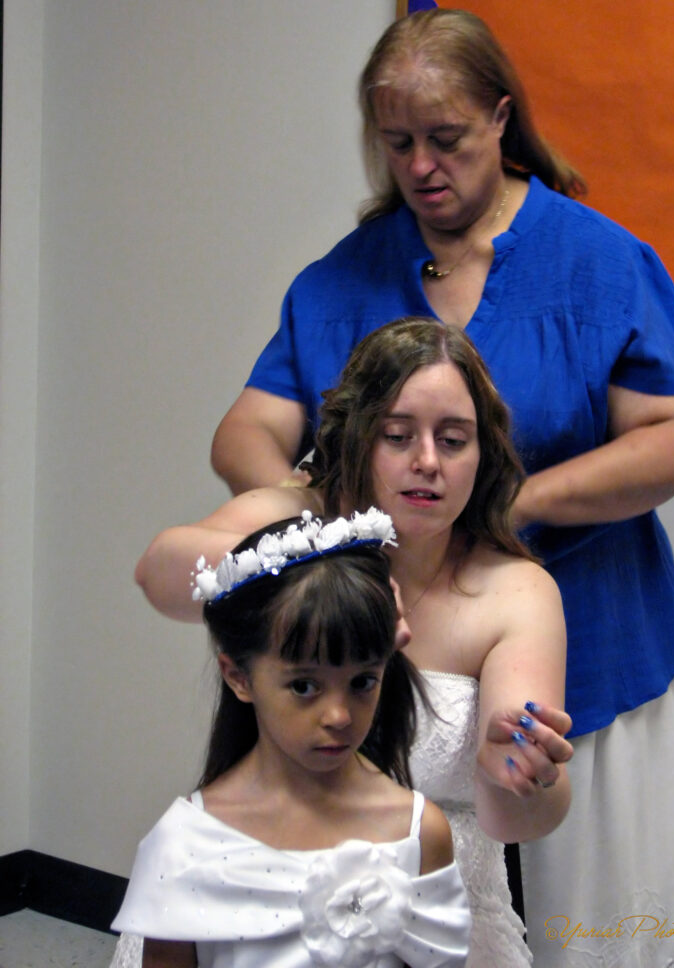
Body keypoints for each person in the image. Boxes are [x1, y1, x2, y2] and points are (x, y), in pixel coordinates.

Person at [206, 8, 674, 968]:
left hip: (597, 650)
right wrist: (317, 529)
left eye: (445, 139)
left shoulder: (600, 260)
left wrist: (506, 509)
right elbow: (245, 432)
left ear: (499, 118)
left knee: (608, 932)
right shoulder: (344, 277)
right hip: (408, 673)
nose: (421, 167)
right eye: (396, 144)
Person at [127, 318, 573, 968]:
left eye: (453, 440)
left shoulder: (515, 591)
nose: (427, 460)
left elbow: (516, 822)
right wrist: (327, 563)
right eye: (398, 436)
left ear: (484, 455)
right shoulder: (294, 518)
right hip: (266, 880)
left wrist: (517, 778)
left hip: (435, 896)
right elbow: (161, 574)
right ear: (360, 436)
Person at [112, 511, 472, 968]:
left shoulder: (420, 831)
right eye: (304, 686)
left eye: (362, 681)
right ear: (239, 677)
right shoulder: (186, 844)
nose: (338, 716)